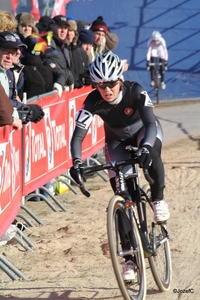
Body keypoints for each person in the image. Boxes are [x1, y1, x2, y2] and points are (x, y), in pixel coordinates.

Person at [69, 51, 170, 281]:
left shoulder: (135, 91)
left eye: (111, 83)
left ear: (120, 80)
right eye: (100, 85)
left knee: (151, 151)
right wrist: (76, 162)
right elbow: (77, 138)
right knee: (122, 198)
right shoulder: (92, 102)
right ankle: (129, 261)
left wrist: (145, 147)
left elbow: (151, 123)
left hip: (144, 131)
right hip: (116, 141)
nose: (106, 89)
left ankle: (157, 199)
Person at [42, 15, 74, 92]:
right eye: (60, 27)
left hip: (64, 90)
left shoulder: (66, 46)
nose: (63, 30)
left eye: (65, 28)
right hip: (52, 90)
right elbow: (48, 64)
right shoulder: (46, 44)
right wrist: (65, 77)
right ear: (52, 27)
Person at [65, 20, 92, 88]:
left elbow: (86, 69)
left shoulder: (81, 52)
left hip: (79, 91)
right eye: (67, 31)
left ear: (75, 33)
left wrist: (88, 77)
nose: (69, 34)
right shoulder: (62, 50)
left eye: (71, 31)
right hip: (68, 89)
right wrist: (74, 80)